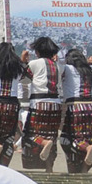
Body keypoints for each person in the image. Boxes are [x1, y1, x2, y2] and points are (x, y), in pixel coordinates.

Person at [22, 37, 64, 171]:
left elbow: (24, 77)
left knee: (30, 133)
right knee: (52, 134)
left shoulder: (34, 63)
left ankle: (44, 143)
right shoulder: (60, 66)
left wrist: (23, 62)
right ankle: (49, 167)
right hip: (56, 104)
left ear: (38, 51)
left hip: (39, 103)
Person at [60, 49, 92, 172]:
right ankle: (84, 168)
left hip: (76, 106)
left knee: (68, 138)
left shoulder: (66, 68)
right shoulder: (91, 70)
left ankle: (86, 149)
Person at [0, 42, 26, 166]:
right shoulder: (19, 67)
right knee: (9, 133)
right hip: (12, 103)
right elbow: (23, 76)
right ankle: (4, 161)